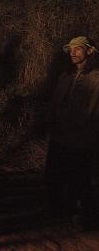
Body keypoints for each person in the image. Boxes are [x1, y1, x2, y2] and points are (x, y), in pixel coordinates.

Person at [46, 36, 99, 231]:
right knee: (54, 176)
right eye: (71, 49)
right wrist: (51, 122)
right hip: (59, 135)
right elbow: (55, 103)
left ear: (89, 51)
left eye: (78, 49)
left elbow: (93, 109)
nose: (73, 52)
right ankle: (59, 214)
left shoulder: (96, 78)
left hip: (81, 138)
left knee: (80, 178)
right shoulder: (64, 77)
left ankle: (84, 216)